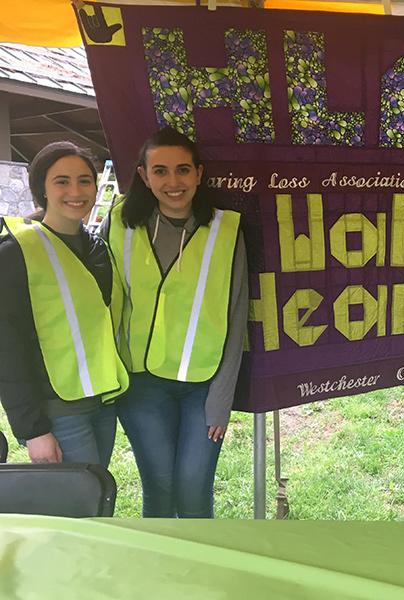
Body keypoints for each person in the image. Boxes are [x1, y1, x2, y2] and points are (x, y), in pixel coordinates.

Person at [102, 127, 248, 518]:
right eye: (160, 171)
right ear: (144, 176)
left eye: (183, 170)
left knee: (193, 489)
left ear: (199, 174)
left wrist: (221, 399)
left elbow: (236, 319)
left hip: (202, 386)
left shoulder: (226, 230)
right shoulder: (118, 225)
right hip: (140, 384)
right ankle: (163, 576)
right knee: (160, 489)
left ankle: (201, 576)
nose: (173, 182)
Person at [0, 142, 128, 465]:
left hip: (101, 404)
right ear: (41, 188)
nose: (76, 190)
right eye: (62, 181)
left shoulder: (98, 249)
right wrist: (33, 430)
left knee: (97, 496)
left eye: (85, 180)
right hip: (57, 411)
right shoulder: (15, 253)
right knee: (76, 509)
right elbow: (7, 347)